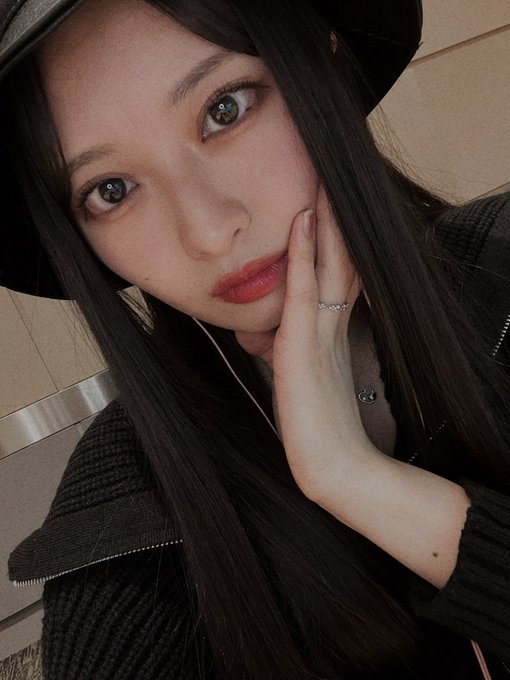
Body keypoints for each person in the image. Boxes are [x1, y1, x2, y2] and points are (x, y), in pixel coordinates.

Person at [2, 0, 510, 678]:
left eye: (225, 110)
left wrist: (356, 477)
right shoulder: (125, 526)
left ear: (321, 60)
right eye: (112, 190)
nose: (209, 231)